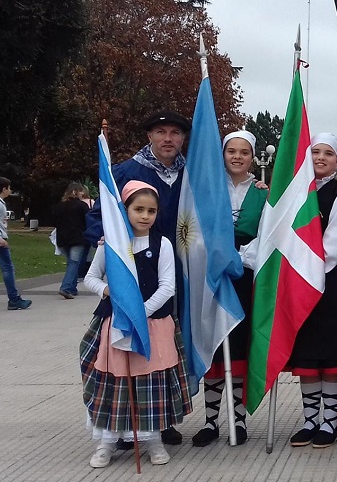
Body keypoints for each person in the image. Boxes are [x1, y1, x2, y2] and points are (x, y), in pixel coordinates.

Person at [85, 109, 191, 446]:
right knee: (126, 354)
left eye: (175, 132)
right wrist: (106, 238)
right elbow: (100, 214)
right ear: (149, 136)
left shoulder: (191, 173)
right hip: (135, 276)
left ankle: (160, 420)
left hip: (177, 274)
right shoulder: (127, 172)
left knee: (164, 354)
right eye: (161, 132)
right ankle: (122, 422)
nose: (168, 139)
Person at [191, 130, 268, 448]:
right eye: (231, 151)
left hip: (244, 275)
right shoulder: (207, 190)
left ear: (253, 158)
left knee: (237, 346)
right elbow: (194, 227)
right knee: (214, 342)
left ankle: (238, 419)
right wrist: (214, 256)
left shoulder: (264, 193)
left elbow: (267, 235)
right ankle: (210, 421)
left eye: (244, 152)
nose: (237, 157)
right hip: (211, 273)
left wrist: (240, 258)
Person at [287, 133, 337, 449]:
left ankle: (329, 422)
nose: (320, 158)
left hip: (330, 282)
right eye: (315, 152)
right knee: (307, 352)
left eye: (328, 154)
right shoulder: (294, 194)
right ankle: (309, 420)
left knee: (330, 353)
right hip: (298, 281)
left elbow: (334, 246)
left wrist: (303, 267)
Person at [0, 177, 31, 310]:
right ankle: (14, 299)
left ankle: (14, 299)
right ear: (4, 189)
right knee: (8, 268)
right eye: (9, 188)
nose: (10, 191)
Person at [51, 182, 91, 299]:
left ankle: (72, 287)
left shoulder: (59, 206)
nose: (82, 193)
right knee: (74, 263)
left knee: (71, 263)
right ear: (76, 192)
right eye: (81, 191)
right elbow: (88, 221)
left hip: (62, 239)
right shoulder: (82, 206)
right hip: (77, 238)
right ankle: (66, 287)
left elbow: (55, 222)